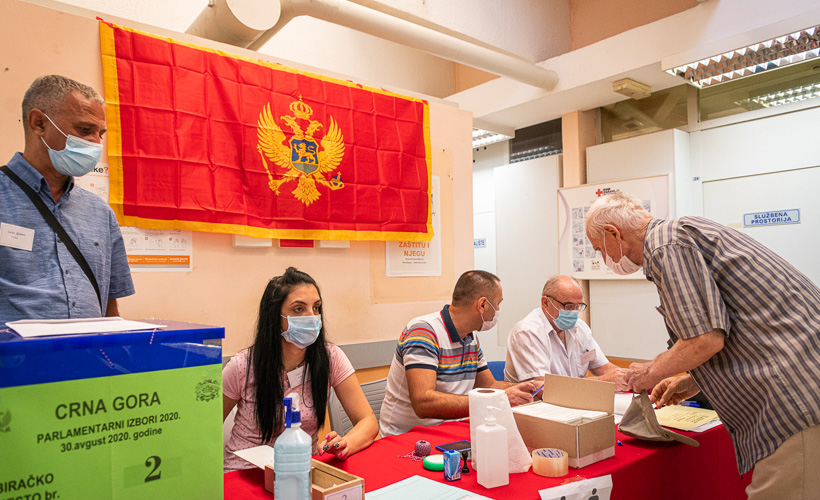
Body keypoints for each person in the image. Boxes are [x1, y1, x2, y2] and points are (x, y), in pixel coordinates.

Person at [585, 193, 820, 499]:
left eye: (599, 249)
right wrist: (692, 380)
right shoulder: (687, 231)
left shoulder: (665, 245)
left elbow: (704, 339)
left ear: (613, 234)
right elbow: (739, 323)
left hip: (792, 398)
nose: (604, 259)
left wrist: (648, 373)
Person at [0, 75, 134, 325]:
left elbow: (110, 307)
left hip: (85, 359)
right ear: (38, 123)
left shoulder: (99, 212)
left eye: (100, 133)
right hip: (12, 361)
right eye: (84, 130)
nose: (95, 142)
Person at [222, 267, 378, 471]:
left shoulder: (331, 357)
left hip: (301, 471)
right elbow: (205, 428)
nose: (311, 316)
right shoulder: (243, 365)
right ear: (274, 317)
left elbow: (368, 421)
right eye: (298, 309)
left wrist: (345, 444)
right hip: (245, 472)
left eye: (316, 308)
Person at [379, 270, 537, 437]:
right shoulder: (423, 331)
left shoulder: (471, 337)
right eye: (498, 303)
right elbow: (423, 403)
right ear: (482, 305)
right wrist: (496, 399)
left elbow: (489, 386)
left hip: (448, 431)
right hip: (407, 436)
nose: (498, 310)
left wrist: (532, 388)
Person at [504, 275, 627, 390]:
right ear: (545, 302)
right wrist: (603, 381)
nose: (574, 312)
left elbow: (603, 367)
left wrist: (627, 377)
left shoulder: (580, 328)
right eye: (568, 306)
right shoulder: (527, 332)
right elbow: (544, 387)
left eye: (578, 306)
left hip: (573, 401)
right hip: (537, 406)